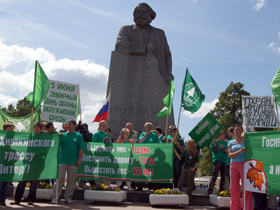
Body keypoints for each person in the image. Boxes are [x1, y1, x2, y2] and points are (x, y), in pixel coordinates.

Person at [51, 120, 85, 204]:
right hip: (62, 160)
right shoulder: (63, 135)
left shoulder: (78, 136)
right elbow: (56, 145)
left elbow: (81, 149)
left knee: (71, 180)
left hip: (73, 161)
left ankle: (68, 197)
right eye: (67, 124)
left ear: (74, 125)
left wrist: (79, 160)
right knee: (59, 179)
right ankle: (55, 197)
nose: (68, 126)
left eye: (70, 124)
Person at [11, 122, 43, 205]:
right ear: (33, 128)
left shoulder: (43, 138)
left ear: (41, 129)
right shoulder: (29, 136)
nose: (36, 129)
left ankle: (31, 200)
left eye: (38, 128)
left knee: (34, 182)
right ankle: (17, 199)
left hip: (36, 162)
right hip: (27, 161)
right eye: (35, 127)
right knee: (22, 181)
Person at [228, 124, 253, 210]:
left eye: (239, 130)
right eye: (236, 130)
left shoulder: (246, 141)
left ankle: (248, 207)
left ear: (241, 131)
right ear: (234, 131)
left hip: (244, 164)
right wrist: (240, 150)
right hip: (233, 165)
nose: (237, 132)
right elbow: (230, 155)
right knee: (234, 188)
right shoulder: (231, 142)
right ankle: (235, 208)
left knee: (246, 188)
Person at [207, 130, 228, 194]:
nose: (224, 136)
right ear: (219, 135)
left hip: (224, 160)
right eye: (223, 135)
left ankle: (221, 189)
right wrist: (215, 145)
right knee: (215, 175)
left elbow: (226, 151)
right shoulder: (213, 143)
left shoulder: (225, 143)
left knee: (223, 176)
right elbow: (214, 151)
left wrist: (222, 148)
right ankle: (210, 188)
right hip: (217, 160)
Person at [91, 120, 111, 186]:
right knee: (98, 171)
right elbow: (93, 145)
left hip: (105, 156)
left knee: (106, 170)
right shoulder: (96, 134)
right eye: (102, 125)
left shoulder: (107, 135)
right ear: (99, 126)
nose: (104, 126)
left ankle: (107, 185)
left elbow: (110, 145)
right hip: (98, 156)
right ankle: (98, 185)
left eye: (105, 125)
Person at [0, 121, 14, 206]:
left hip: (10, 164)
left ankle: (2, 200)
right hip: (2, 164)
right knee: (1, 183)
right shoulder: (2, 136)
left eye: (12, 128)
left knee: (6, 185)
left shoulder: (15, 137)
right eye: (10, 128)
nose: (12, 130)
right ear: (5, 128)